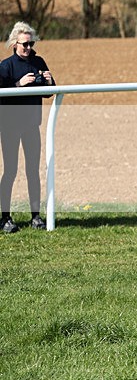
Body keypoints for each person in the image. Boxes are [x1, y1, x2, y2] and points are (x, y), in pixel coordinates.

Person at [0, 21, 55, 233]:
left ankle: (36, 217)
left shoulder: (38, 61)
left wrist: (49, 82)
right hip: (10, 127)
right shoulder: (6, 66)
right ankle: (5, 218)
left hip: (32, 125)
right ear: (15, 43)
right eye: (25, 44)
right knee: (10, 171)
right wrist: (18, 85)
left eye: (31, 43)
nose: (29, 48)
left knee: (33, 171)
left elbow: (49, 92)